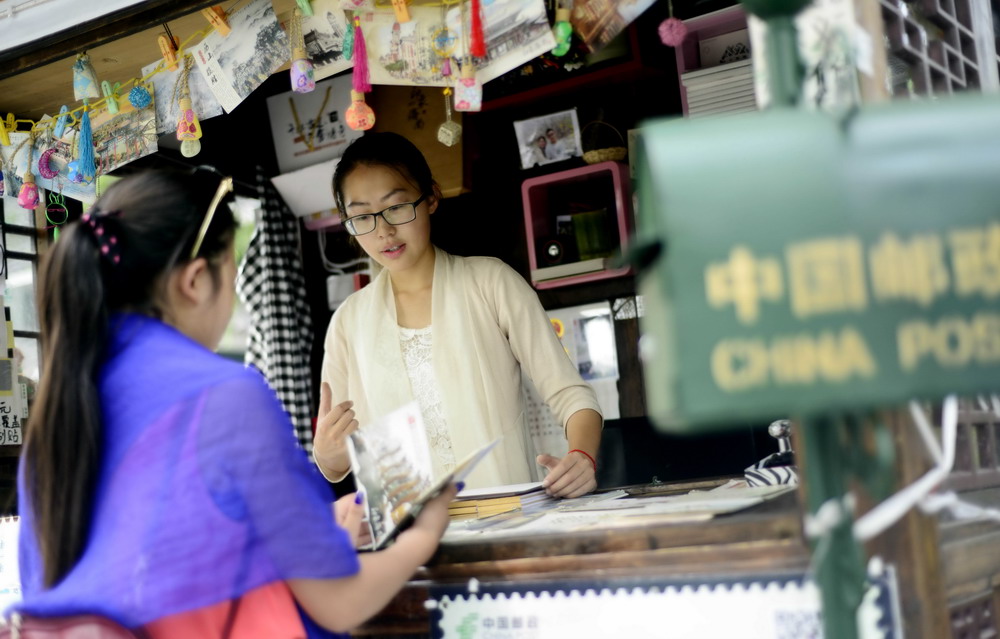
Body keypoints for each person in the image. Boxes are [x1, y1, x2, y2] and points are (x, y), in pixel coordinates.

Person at [15, 168, 456, 638]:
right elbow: (340, 602)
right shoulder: (225, 393)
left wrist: (317, 531)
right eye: (233, 276)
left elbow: (161, 567)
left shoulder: (58, 411)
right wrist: (424, 534)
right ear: (196, 281)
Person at [314, 132, 603, 498]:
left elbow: (571, 396)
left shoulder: (491, 282)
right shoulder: (348, 323)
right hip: (408, 545)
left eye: (397, 206)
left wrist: (580, 456)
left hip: (507, 522)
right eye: (362, 217)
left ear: (431, 196)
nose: (384, 230)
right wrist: (326, 454)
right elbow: (337, 457)